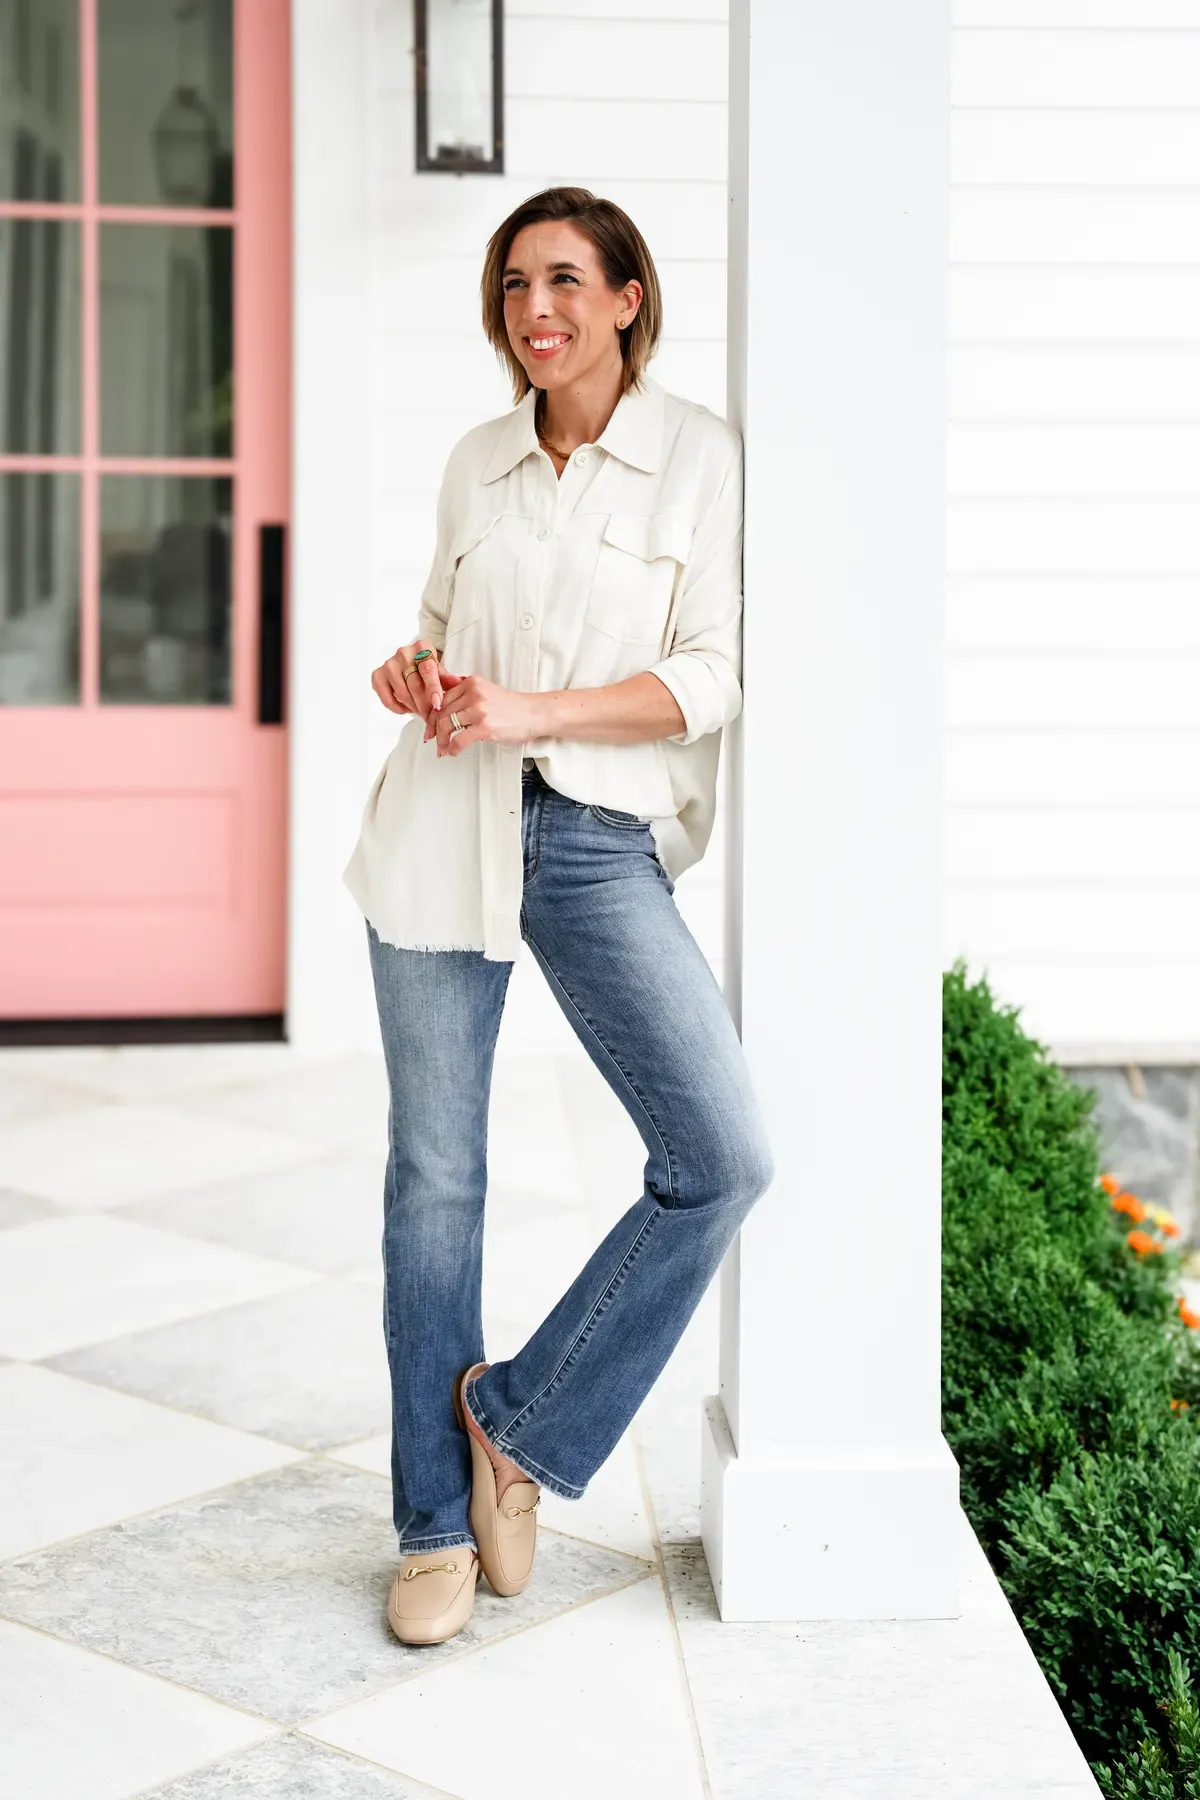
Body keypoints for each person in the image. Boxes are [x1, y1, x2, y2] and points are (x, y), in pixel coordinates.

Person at [344, 186, 773, 1647]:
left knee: (720, 1157)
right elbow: (440, 633)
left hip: (592, 839)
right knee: (434, 1182)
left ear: (628, 298)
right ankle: (430, 1523)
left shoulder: (700, 458)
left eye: (568, 281)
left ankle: (515, 1428)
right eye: (517, 284)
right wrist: (416, 675)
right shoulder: (477, 462)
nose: (538, 310)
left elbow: (709, 675)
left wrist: (532, 710)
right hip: (441, 823)